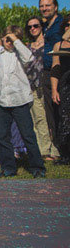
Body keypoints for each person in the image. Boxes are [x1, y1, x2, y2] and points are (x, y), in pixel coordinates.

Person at [0, 26, 46, 178]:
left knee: (28, 135)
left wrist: (16, 41)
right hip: (2, 101)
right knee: (3, 137)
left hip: (20, 100)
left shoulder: (21, 53)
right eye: (7, 39)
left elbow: (30, 58)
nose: (9, 42)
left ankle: (37, 167)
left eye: (12, 39)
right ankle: (8, 168)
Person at [24, 16, 60, 160]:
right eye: (30, 27)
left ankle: (56, 149)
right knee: (38, 118)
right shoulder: (27, 46)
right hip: (32, 85)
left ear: (41, 27)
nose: (33, 29)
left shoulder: (49, 45)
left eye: (36, 26)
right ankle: (44, 150)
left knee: (52, 117)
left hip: (47, 82)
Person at [40, 0, 64, 153]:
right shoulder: (44, 27)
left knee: (61, 110)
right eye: (42, 6)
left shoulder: (62, 24)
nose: (44, 8)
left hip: (61, 71)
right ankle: (58, 147)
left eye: (48, 5)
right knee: (50, 113)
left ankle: (63, 148)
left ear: (55, 7)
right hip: (47, 72)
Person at [48, 16, 70, 164]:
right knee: (65, 118)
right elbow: (55, 69)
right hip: (65, 83)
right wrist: (54, 89)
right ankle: (66, 154)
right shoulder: (58, 45)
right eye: (67, 25)